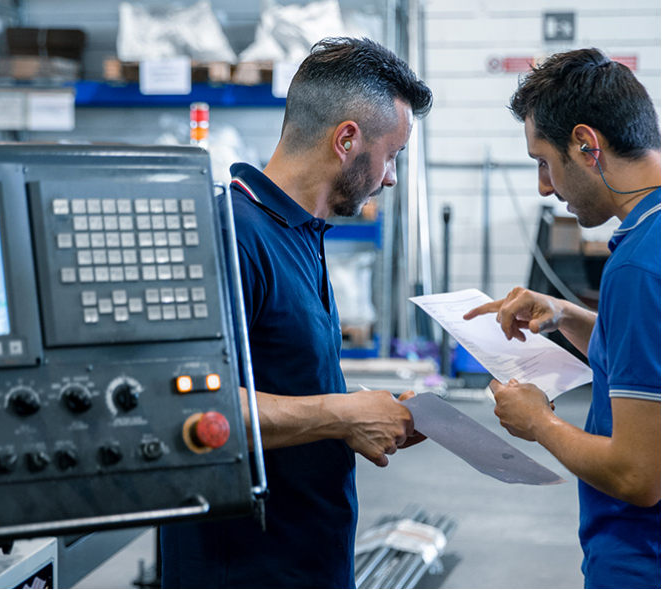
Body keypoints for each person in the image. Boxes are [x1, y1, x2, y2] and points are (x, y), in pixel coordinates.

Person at [161, 37, 433, 589]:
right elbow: (189, 407)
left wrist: (361, 406)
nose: (391, 177)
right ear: (347, 139)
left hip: (306, 557)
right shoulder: (233, 235)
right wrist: (344, 416)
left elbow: (283, 374)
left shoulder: (300, 231)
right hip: (244, 568)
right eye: (393, 154)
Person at [464, 48, 661, 589]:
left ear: (586, 144)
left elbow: (638, 475)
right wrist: (567, 315)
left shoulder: (639, 265)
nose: (544, 187)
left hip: (641, 559)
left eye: (543, 162)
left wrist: (540, 423)